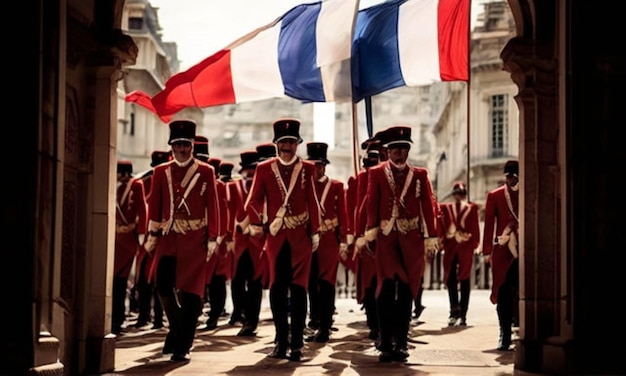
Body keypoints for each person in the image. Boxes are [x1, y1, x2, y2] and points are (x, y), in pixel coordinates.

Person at [143, 119, 220, 362]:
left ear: (192, 146)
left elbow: (213, 206)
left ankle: (182, 346)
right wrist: (152, 235)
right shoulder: (160, 172)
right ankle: (179, 330)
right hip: (168, 239)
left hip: (195, 240)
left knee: (191, 296)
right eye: (178, 145)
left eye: (186, 145)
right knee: (162, 286)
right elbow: (154, 207)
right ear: (171, 147)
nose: (182, 149)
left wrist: (213, 237)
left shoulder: (206, 172)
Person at [361, 125, 439, 362]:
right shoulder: (376, 173)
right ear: (388, 150)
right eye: (395, 148)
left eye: (403, 148)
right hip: (387, 238)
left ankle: (402, 342)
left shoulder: (420, 175)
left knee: (407, 290)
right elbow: (372, 202)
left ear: (408, 150)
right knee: (385, 289)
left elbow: (428, 205)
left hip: (412, 240)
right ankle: (385, 341)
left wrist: (431, 236)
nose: (399, 153)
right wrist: (370, 232)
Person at [245, 118, 321, 361]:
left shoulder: (307, 168)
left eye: (291, 142)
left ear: (297, 144)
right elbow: (253, 201)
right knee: (277, 289)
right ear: (276, 144)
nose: (287, 146)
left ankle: (297, 343)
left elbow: (313, 200)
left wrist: (316, 230)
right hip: (277, 238)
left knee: (300, 290)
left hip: (300, 237)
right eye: (283, 142)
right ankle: (280, 340)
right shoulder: (264, 169)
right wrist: (262, 220)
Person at [304, 142, 349, 343]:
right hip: (307, 240)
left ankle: (325, 325)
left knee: (327, 283)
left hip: (329, 240)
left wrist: (344, 241)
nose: (316, 168)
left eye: (320, 164)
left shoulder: (337, 186)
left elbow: (344, 215)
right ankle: (314, 320)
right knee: (310, 282)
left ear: (324, 166)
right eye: (313, 164)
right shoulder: (303, 186)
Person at [229, 150, 268, 336]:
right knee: (237, 282)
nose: (250, 174)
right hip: (239, 242)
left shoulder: (263, 187)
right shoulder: (235, 187)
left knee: (254, 283)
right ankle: (241, 312)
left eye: (253, 170)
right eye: (247, 171)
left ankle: (251, 321)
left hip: (257, 241)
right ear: (242, 172)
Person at [482, 160, 520, 351]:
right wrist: (487, 251)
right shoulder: (495, 196)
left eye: (512, 176)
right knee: (503, 292)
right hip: (503, 251)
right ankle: (504, 334)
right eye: (507, 176)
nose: (509, 179)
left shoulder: (527, 192)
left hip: (525, 250)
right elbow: (489, 224)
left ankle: (519, 327)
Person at [133, 151, 171, 330]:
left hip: (164, 238)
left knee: (159, 280)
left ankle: (158, 318)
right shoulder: (145, 183)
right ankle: (143, 315)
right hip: (147, 238)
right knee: (142, 281)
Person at [354, 134, 385, 344]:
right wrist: (357, 235)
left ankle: (391, 328)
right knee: (371, 284)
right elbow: (359, 209)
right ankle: (375, 324)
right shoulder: (362, 179)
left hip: (394, 237)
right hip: (370, 238)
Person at [438, 181, 480, 326]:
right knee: (450, 278)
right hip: (450, 247)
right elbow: (441, 226)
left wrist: (475, 243)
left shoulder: (471, 208)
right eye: (457, 194)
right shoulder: (446, 208)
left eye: (461, 194)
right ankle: (453, 310)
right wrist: (442, 240)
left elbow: (474, 226)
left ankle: (463, 313)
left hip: (465, 246)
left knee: (465, 279)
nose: (459, 197)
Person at [112, 160, 147, 334]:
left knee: (121, 280)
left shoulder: (136, 185)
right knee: (112, 281)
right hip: (115, 238)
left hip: (128, 239)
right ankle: (114, 317)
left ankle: (118, 318)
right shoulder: (113, 186)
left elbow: (143, 209)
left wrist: (141, 235)